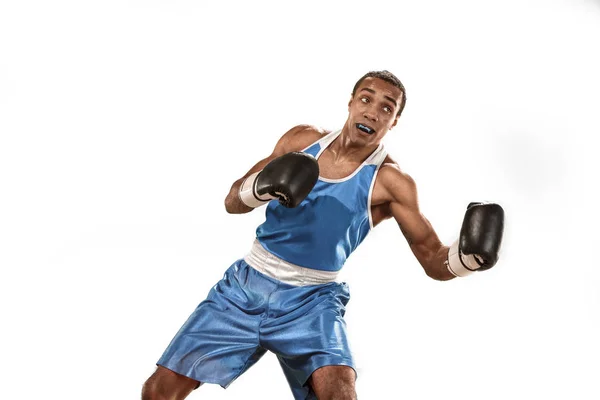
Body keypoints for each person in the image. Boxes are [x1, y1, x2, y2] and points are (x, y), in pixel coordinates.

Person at [141, 70, 505, 400]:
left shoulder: (391, 182)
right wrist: (258, 188)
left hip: (312, 302)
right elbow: (232, 202)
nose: (372, 112)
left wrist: (464, 259)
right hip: (244, 288)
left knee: (340, 395)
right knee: (158, 393)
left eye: (386, 108)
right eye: (366, 99)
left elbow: (432, 259)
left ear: (394, 121)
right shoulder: (300, 140)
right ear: (350, 103)